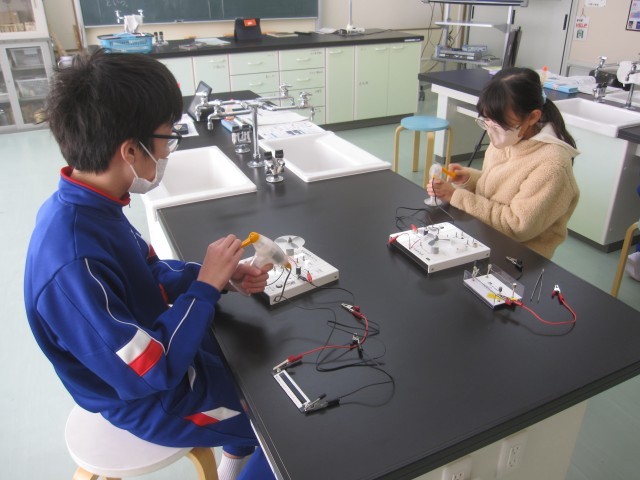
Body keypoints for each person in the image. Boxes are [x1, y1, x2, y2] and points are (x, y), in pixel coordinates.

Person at [23, 50, 275, 480]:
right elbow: (150, 370)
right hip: (152, 400)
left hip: (157, 356)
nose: (168, 149)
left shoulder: (94, 205)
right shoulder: (73, 263)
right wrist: (204, 288)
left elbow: (151, 273)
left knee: (254, 358)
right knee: (279, 421)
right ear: (130, 150)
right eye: (166, 138)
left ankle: (233, 457)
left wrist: (216, 277)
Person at [427, 67, 580, 259]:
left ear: (533, 117)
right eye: (486, 122)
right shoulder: (510, 136)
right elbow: (503, 186)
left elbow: (516, 226)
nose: (492, 132)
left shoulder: (553, 166)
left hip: (518, 257)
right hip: (485, 236)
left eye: (500, 125)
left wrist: (456, 196)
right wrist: (469, 179)